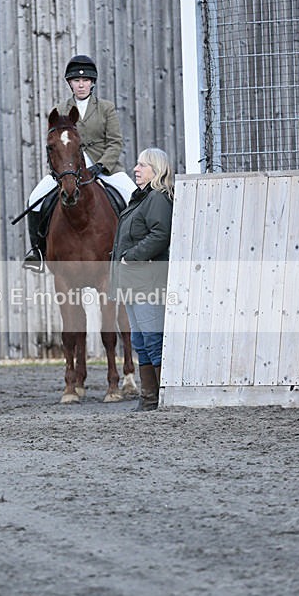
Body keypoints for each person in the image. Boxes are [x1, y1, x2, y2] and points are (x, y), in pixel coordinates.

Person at [22, 54, 136, 271]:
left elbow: (115, 142)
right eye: (76, 80)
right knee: (35, 198)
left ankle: (133, 249)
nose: (81, 84)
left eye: (85, 80)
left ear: (92, 83)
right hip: (69, 170)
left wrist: (101, 165)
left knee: (132, 195)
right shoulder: (60, 110)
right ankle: (37, 251)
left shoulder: (106, 108)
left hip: (104, 168)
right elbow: (54, 144)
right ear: (70, 83)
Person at [110, 148, 174, 411]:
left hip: (147, 280)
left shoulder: (157, 198)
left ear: (156, 170)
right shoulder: (139, 199)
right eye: (136, 164)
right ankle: (148, 398)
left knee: (153, 339)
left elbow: (161, 234)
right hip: (132, 282)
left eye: (142, 165)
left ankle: (161, 399)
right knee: (139, 341)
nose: (136, 169)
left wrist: (131, 256)